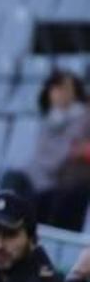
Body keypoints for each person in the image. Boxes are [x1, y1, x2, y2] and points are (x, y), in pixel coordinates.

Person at [6, 71, 90, 231]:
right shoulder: (52, 118)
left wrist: (71, 151)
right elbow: (47, 152)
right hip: (43, 176)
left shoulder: (84, 117)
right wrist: (68, 151)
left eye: (65, 88)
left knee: (52, 200)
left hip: (66, 180)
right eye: (55, 89)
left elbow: (73, 150)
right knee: (13, 181)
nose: (59, 94)